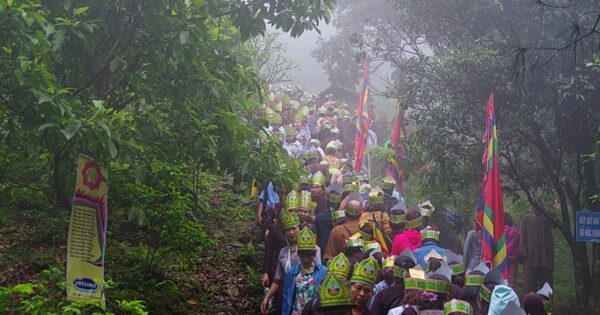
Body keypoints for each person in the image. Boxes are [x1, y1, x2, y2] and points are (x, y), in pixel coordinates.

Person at [261, 210, 322, 314]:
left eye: (294, 228)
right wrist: (267, 297)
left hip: (308, 299)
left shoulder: (313, 249)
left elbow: (319, 276)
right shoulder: (283, 252)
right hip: (288, 297)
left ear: (300, 228)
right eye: (287, 230)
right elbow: (278, 279)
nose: (291, 232)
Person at [282, 228, 328, 315]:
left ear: (314, 254)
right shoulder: (291, 273)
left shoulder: (323, 271)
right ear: (298, 255)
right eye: (302, 256)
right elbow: (286, 298)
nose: (306, 259)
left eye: (309, 256)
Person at [520, 207, 554, 294]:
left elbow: (556, 223)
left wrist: (545, 213)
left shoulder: (547, 218)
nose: (537, 206)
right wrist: (523, 251)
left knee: (546, 290)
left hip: (546, 260)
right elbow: (522, 237)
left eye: (539, 204)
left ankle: (546, 307)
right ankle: (529, 307)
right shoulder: (527, 219)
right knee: (529, 289)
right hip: (530, 259)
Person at [504, 213, 521, 289]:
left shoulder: (500, 230)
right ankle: (511, 294)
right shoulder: (517, 231)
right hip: (513, 257)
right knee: (512, 280)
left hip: (502, 257)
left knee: (502, 277)